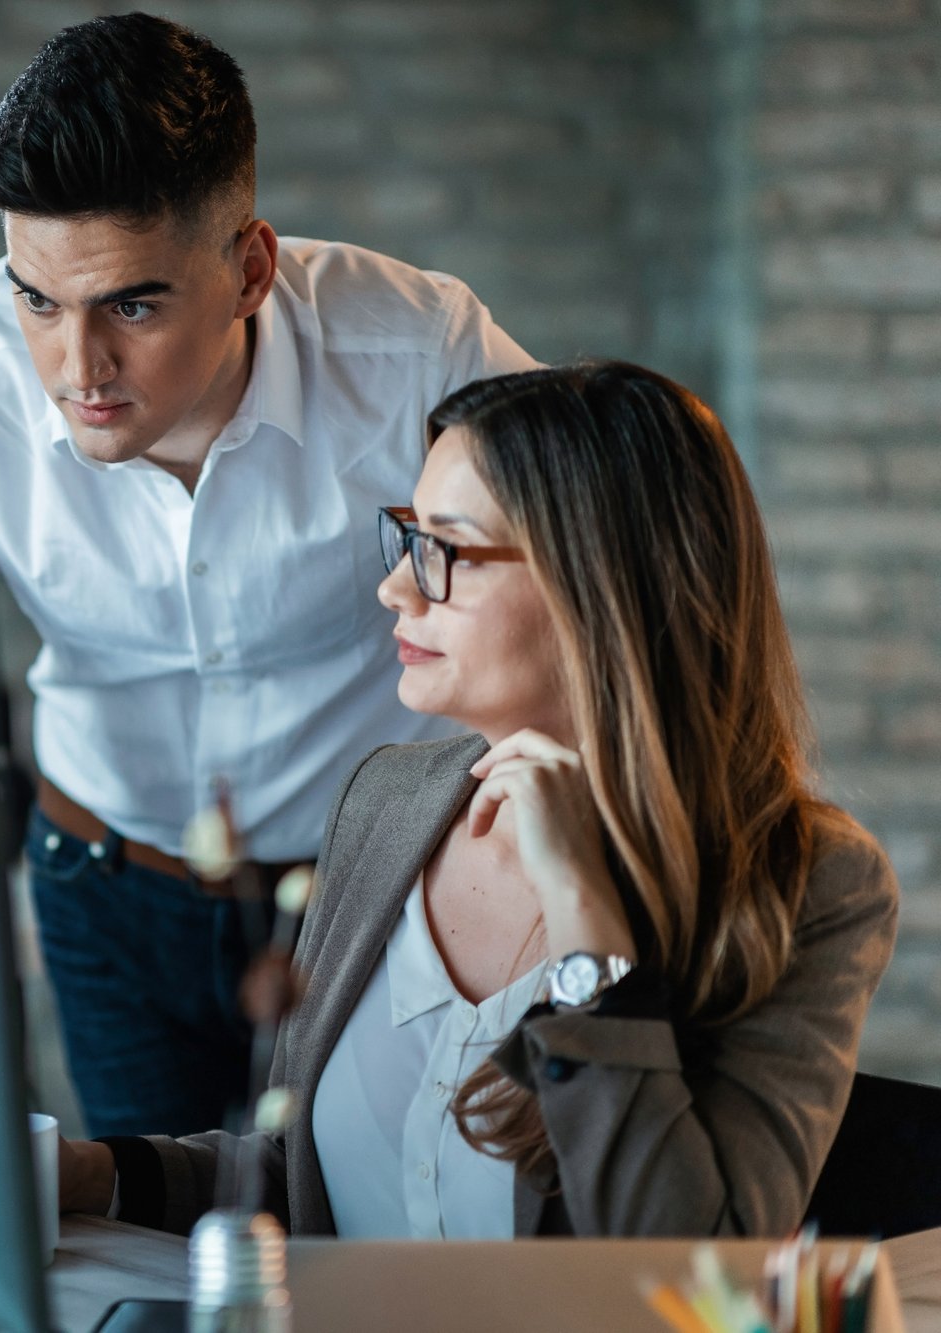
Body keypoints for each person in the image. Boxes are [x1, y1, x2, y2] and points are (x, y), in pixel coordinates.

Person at [0, 12, 536, 1137]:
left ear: (250, 267)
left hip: (372, 890)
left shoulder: (419, 351)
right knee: (147, 1260)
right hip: (101, 882)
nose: (77, 370)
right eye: (36, 299)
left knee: (358, 1251)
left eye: (131, 304)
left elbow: (597, 578)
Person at [57, 362, 899, 1238]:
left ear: (597, 582)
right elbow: (308, 1180)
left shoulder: (811, 885)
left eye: (445, 550)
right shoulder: (390, 801)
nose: (396, 587)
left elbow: (699, 1256)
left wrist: (585, 920)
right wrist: (94, 1173)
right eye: (407, 537)